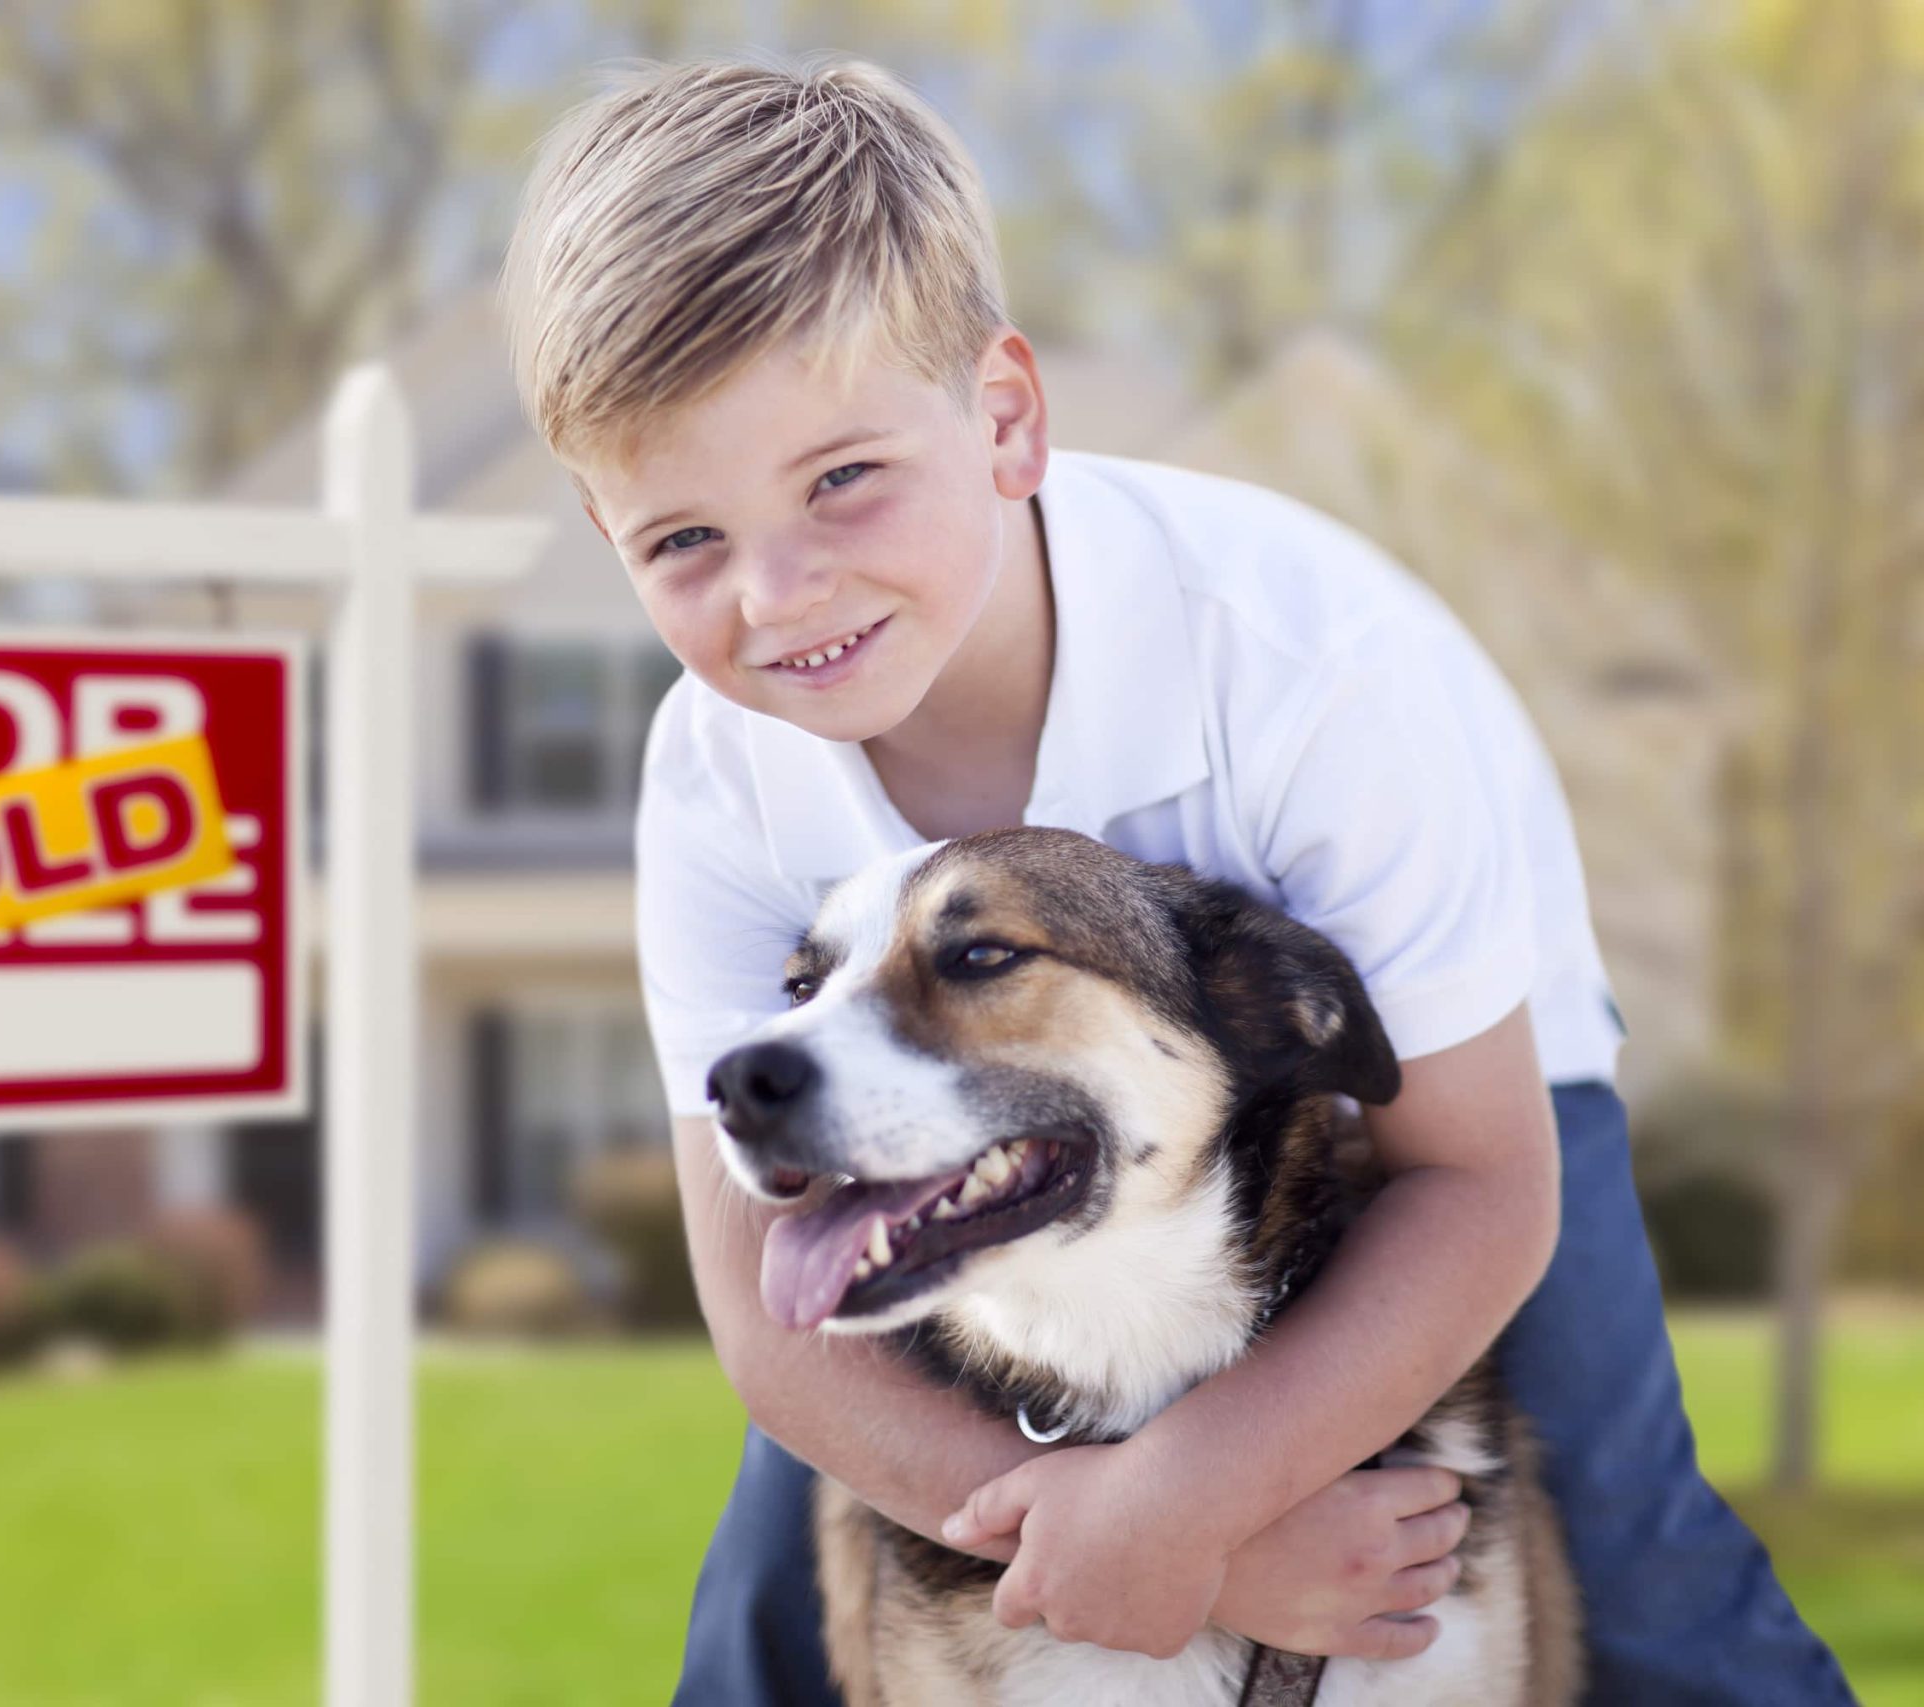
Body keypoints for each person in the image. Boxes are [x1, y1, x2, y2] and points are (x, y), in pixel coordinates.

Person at [496, 49, 1855, 1707]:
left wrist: (1193, 1492)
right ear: (604, 529)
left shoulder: (1310, 669)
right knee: (772, 1607)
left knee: (1634, 1568)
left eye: (842, 479)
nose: (777, 597)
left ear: (1003, 418)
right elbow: (767, 1313)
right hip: (937, 1138)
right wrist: (1151, 1543)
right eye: (681, 542)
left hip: (1450, 1076)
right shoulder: (715, 773)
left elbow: (1478, 1186)